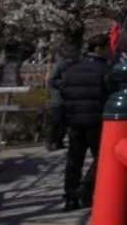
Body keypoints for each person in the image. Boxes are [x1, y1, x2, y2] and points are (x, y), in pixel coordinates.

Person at [58, 33, 113, 211]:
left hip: (74, 120)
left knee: (74, 159)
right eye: (108, 47)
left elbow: (63, 91)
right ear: (100, 48)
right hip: (97, 120)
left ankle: (70, 195)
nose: (110, 50)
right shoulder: (106, 71)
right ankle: (86, 188)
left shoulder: (71, 69)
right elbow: (111, 95)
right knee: (102, 157)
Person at [46, 54, 71, 151]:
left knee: (64, 121)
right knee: (56, 120)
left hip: (66, 97)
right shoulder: (59, 66)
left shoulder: (69, 65)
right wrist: (63, 83)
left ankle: (59, 140)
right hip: (58, 98)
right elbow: (52, 80)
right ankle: (51, 141)